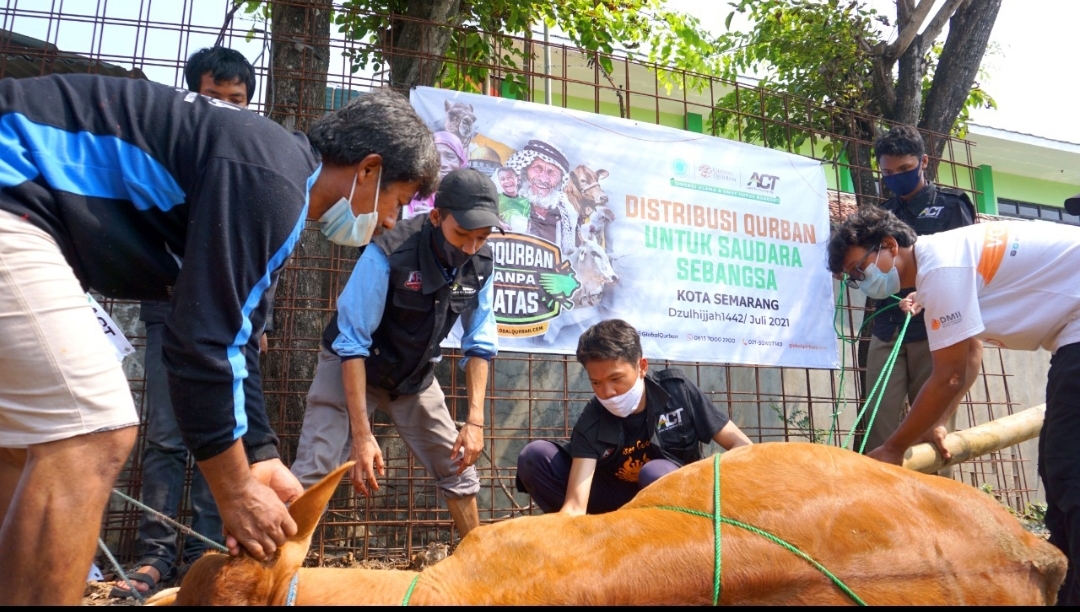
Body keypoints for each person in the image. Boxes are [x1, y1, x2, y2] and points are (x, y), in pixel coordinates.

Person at [0, 75, 437, 605]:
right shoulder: (270, 179)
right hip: (13, 184)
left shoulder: (275, 175)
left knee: (27, 444)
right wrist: (233, 492)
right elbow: (199, 342)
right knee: (94, 428)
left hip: (25, 198)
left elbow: (239, 339)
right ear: (368, 169)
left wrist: (260, 454)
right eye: (399, 199)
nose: (392, 219)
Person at [827, 205, 1080, 605]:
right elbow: (969, 354)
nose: (861, 282)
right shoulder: (940, 269)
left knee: (1071, 470)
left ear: (890, 245)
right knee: (1057, 463)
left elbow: (948, 376)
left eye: (859, 270)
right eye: (853, 278)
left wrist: (893, 448)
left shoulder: (941, 268)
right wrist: (937, 422)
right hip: (1071, 332)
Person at [110, 46, 258, 599]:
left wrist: (255, 318)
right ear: (188, 96)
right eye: (210, 97)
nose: (223, 109)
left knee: (226, 434)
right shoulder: (167, 153)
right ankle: (154, 554)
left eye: (236, 100)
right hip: (171, 316)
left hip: (233, 325)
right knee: (168, 437)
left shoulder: (250, 165)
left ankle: (203, 551)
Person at [290, 167, 502, 536]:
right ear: (436, 217)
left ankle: (477, 559)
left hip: (413, 377)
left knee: (458, 467)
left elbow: (480, 343)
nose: (469, 248)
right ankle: (273, 577)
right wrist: (361, 434)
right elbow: (352, 342)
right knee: (315, 471)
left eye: (481, 238)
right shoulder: (388, 253)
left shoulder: (480, 266)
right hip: (351, 367)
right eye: (462, 235)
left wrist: (475, 422)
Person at [515, 319, 752, 515]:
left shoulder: (678, 391)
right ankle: (595, 544)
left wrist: (729, 495)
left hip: (681, 501)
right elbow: (575, 505)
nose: (606, 392)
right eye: (596, 382)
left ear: (642, 366)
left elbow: (741, 445)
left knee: (655, 472)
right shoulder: (592, 421)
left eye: (616, 379)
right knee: (535, 456)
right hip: (616, 505)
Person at [857, 125, 982, 471]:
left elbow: (960, 269)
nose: (896, 178)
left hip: (936, 331)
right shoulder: (880, 217)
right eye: (888, 173)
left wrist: (923, 294)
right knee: (879, 427)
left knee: (932, 433)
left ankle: (937, 508)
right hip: (888, 329)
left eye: (905, 169)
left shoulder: (951, 207)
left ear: (923, 162)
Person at [504, 139, 579, 256]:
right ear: (525, 171)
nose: (543, 179)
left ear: (559, 181)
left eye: (551, 173)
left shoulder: (568, 216)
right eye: (537, 168)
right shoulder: (504, 203)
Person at [402, 130, 466, 220]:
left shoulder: (468, 194)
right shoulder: (411, 191)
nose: (442, 163)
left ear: (461, 162)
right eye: (436, 156)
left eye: (450, 156)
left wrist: (436, 216)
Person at [494, 165, 529, 232]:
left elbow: (528, 224)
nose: (506, 181)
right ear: (499, 181)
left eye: (510, 177)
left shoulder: (525, 202)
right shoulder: (496, 198)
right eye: (502, 179)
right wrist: (500, 224)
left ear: (517, 179)